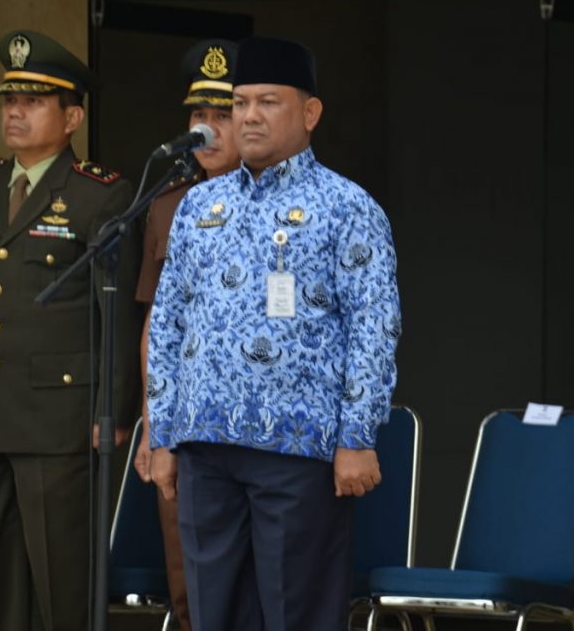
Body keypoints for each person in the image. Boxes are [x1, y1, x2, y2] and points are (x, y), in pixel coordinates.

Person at [146, 36, 402, 631]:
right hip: (205, 446)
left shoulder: (345, 206)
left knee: (295, 613)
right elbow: (168, 320)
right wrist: (163, 432)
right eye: (240, 103)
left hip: (297, 451)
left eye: (268, 101)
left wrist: (357, 435)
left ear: (309, 114)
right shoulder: (198, 206)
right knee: (215, 613)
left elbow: (374, 324)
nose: (250, 116)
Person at [0, 30, 142, 631]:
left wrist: (112, 415)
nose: (15, 112)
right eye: (9, 100)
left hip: (61, 423)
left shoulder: (98, 196)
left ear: (72, 116)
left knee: (61, 590)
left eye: (32, 101)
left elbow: (116, 318)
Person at [131, 39, 241, 631]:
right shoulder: (166, 204)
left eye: (222, 115)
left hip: (252, 432)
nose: (207, 129)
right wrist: (155, 423)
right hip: (184, 425)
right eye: (199, 115)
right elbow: (155, 324)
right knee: (188, 585)